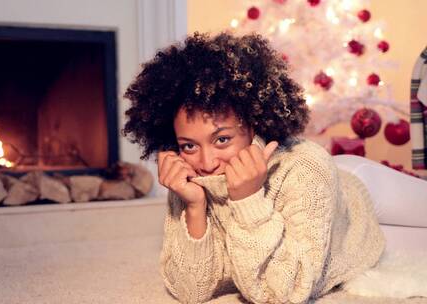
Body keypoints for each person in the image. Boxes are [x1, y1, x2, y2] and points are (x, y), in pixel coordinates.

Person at [122, 32, 385, 304]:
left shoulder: (306, 167)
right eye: (189, 145)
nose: (207, 163)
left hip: (355, 193)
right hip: (328, 185)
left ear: (254, 125)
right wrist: (194, 207)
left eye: (222, 139)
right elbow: (191, 291)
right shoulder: (191, 177)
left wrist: (247, 200)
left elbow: (286, 294)